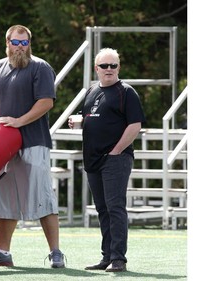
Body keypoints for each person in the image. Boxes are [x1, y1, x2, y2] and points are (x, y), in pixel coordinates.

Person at [0, 24, 65, 268]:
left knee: (42, 197)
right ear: (7, 43)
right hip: (1, 146)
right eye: (16, 42)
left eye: (24, 43)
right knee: (4, 200)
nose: (20, 47)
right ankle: (3, 253)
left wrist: (18, 122)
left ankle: (56, 253)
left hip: (33, 142)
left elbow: (46, 102)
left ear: (30, 44)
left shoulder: (40, 67)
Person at [69, 48, 145, 272]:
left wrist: (117, 150)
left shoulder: (127, 92)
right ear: (96, 69)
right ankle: (107, 256)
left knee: (115, 207)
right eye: (104, 66)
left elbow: (135, 125)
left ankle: (118, 259)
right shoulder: (92, 91)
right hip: (93, 160)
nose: (109, 69)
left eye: (113, 65)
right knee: (102, 209)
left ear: (118, 67)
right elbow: (93, 117)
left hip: (115, 159)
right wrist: (80, 121)